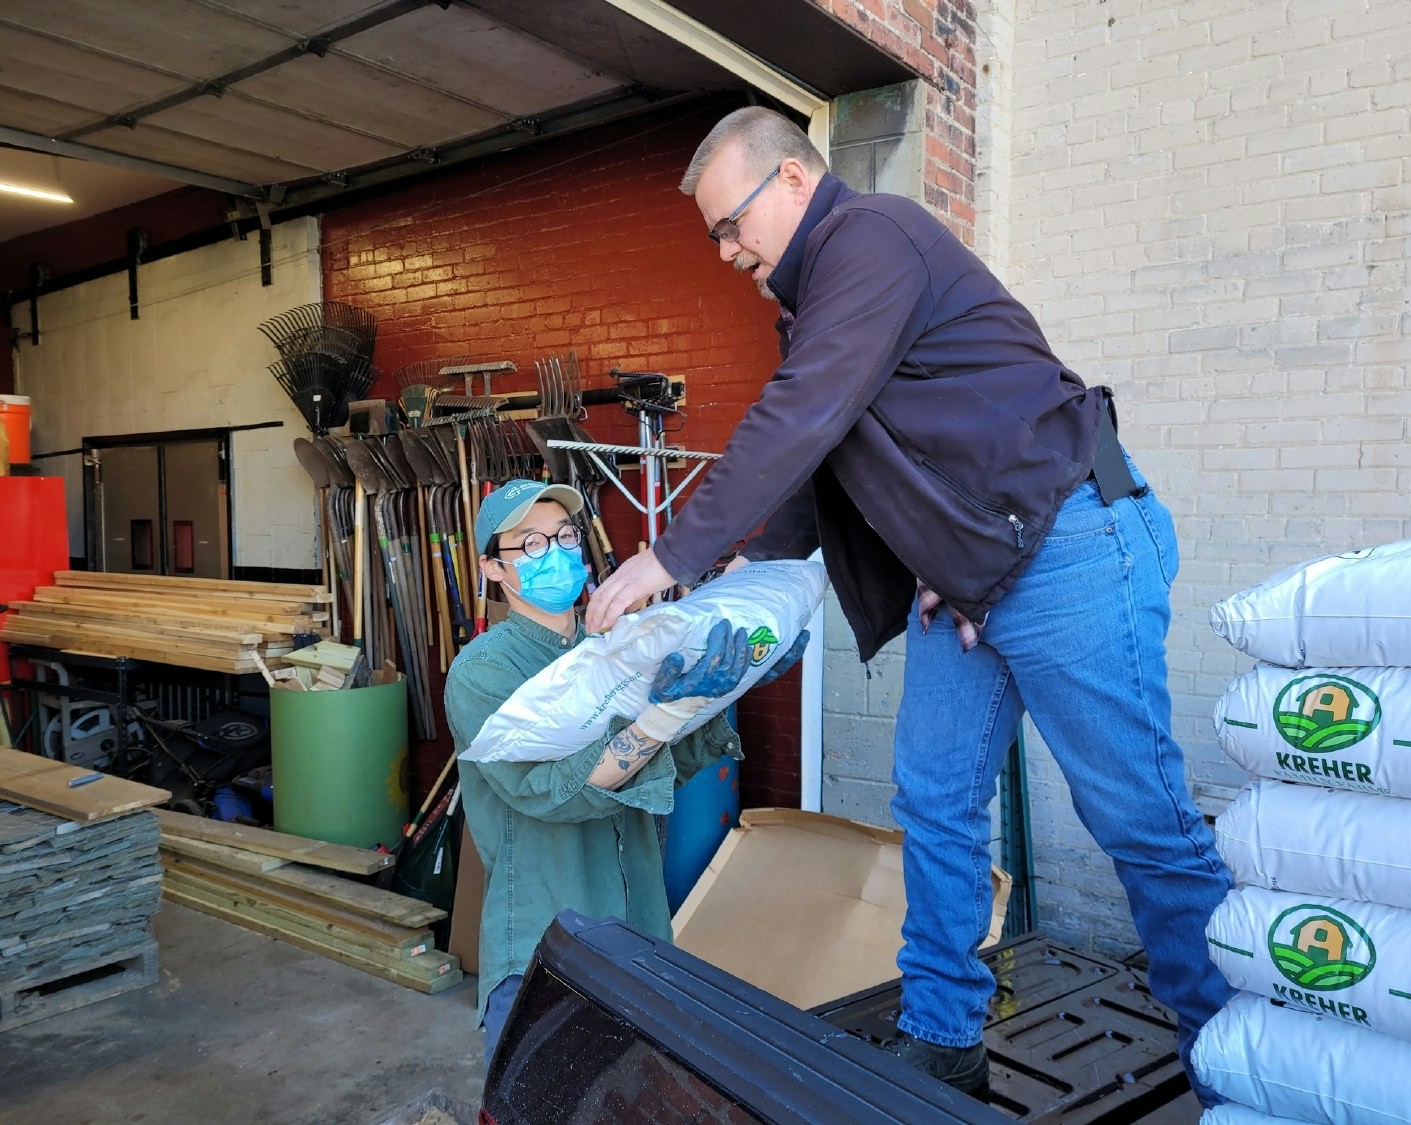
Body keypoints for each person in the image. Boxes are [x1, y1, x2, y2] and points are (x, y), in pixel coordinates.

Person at [583, 107, 1234, 1104]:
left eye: (731, 223)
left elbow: (800, 416)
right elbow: (819, 466)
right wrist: (736, 594)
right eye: (714, 234)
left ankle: (1239, 1058)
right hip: (981, 576)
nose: (723, 251)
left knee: (1137, 822)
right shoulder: (816, 307)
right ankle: (944, 1037)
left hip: (1072, 545)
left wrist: (666, 554)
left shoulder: (870, 241)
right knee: (933, 801)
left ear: (796, 183)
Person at [445, 478, 805, 1069]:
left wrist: (716, 698)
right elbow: (551, 796)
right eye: (531, 544)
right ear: (491, 568)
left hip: (639, 930)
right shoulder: (483, 669)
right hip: (548, 945)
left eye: (564, 536)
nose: (556, 553)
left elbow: (660, 774)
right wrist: (660, 717)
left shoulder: (618, 648)